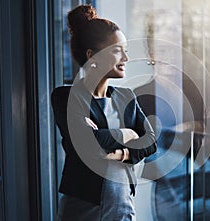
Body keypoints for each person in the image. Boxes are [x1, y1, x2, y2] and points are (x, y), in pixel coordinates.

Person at [51, 4, 156, 221]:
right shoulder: (66, 97)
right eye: (118, 50)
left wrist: (119, 153)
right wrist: (127, 134)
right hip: (83, 210)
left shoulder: (126, 96)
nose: (126, 58)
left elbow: (150, 141)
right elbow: (87, 144)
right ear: (93, 56)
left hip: (122, 206)